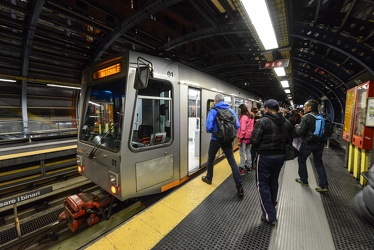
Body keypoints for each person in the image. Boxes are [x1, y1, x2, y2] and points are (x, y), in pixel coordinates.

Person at [250, 99, 294, 225]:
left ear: (268, 109)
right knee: (273, 181)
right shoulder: (287, 123)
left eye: (264, 108)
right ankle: (272, 205)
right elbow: (290, 140)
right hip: (280, 158)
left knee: (262, 184)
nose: (263, 110)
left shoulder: (263, 122)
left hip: (264, 157)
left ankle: (270, 215)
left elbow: (254, 140)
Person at [202, 94, 244, 197]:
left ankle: (209, 178)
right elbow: (237, 125)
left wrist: (216, 132)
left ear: (216, 101)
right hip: (227, 140)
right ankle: (240, 187)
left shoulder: (213, 110)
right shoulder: (230, 110)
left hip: (215, 139)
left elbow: (208, 127)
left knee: (211, 158)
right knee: (232, 161)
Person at [295, 99, 329, 192]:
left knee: (301, 160)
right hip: (320, 143)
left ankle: (304, 180)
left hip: (308, 143)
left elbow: (299, 131)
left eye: (305, 107)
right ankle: (324, 185)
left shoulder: (306, 117)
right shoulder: (323, 116)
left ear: (310, 107)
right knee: (318, 163)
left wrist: (297, 126)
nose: (304, 108)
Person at [237, 104, 255, 174]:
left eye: (239, 109)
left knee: (242, 153)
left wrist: (239, 139)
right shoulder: (251, 116)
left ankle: (242, 168)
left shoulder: (243, 117)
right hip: (249, 137)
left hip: (243, 138)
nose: (239, 111)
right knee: (248, 152)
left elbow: (243, 130)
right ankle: (249, 167)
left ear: (242, 109)